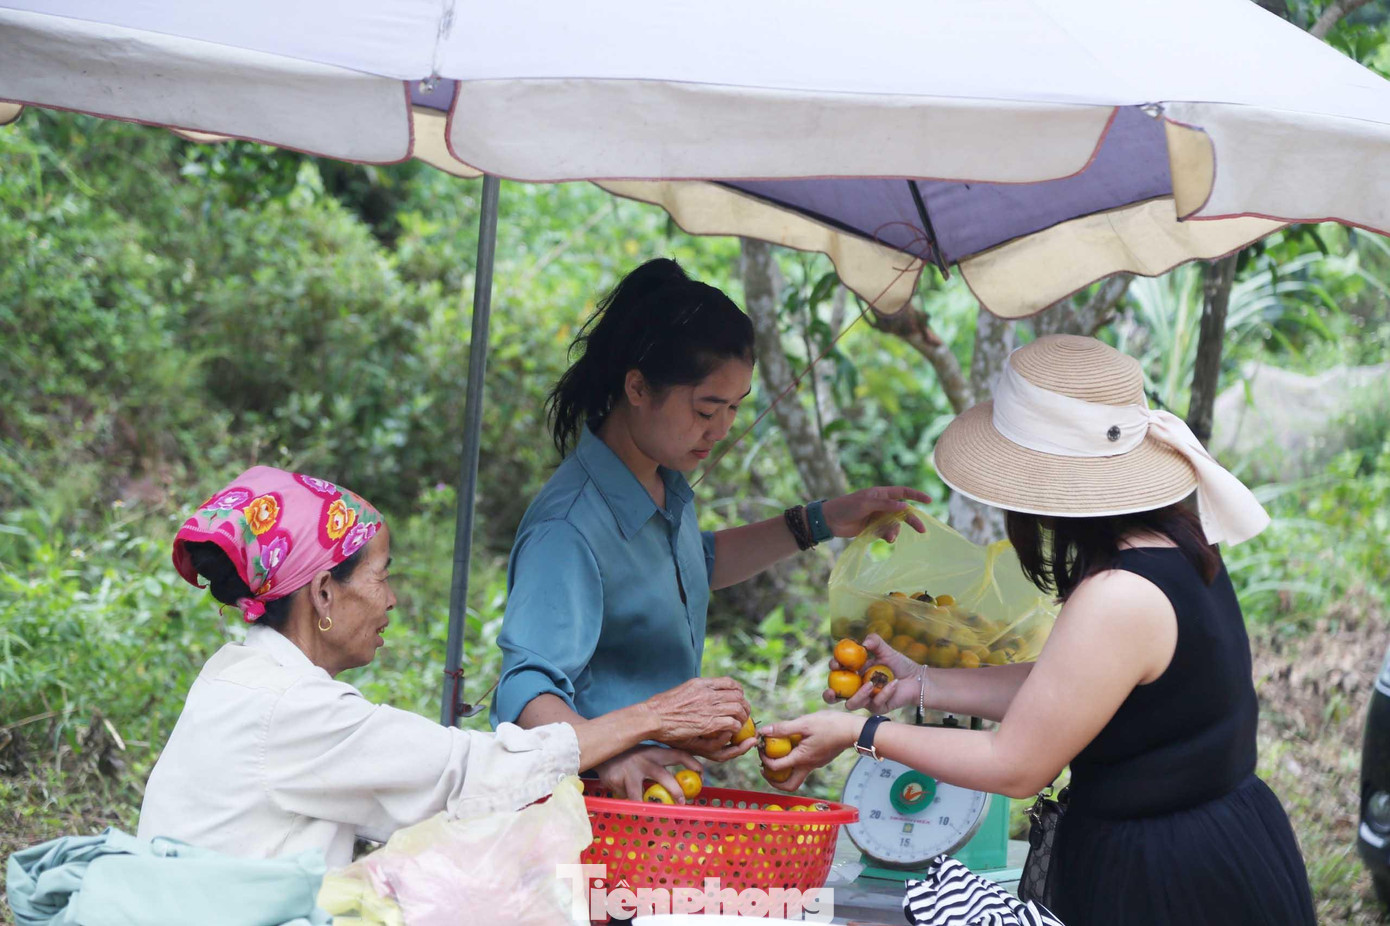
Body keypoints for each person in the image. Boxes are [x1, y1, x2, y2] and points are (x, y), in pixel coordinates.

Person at [759, 335, 1315, 925]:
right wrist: (918, 682)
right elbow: (1068, 687)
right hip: (1218, 839)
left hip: (1164, 875)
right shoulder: (1173, 543)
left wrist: (860, 732)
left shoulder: (1119, 594)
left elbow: (1016, 765)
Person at [138, 465, 749, 867]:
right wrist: (654, 716)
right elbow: (468, 772)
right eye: (381, 577)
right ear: (323, 593)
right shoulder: (290, 708)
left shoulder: (241, 674)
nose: (392, 600)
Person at [492, 257, 930, 802]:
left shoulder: (660, 481)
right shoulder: (567, 529)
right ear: (637, 387)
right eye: (706, 410)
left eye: (734, 409)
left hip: (659, 802)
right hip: (585, 809)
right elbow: (526, 689)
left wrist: (820, 520)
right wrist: (613, 752)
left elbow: (690, 568)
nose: (721, 430)